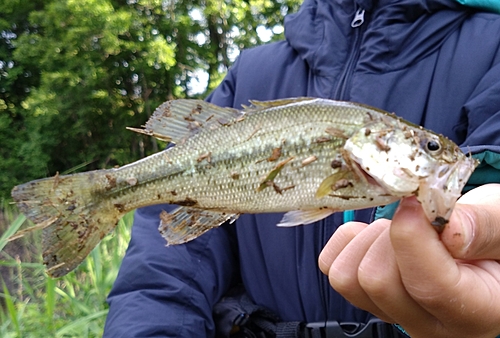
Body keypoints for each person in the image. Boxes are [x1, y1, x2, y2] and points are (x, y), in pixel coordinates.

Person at [103, 0, 500, 337]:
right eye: (429, 147)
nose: (436, 154)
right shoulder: (250, 71)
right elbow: (165, 268)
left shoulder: (492, 45)